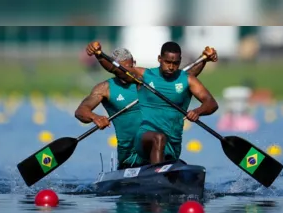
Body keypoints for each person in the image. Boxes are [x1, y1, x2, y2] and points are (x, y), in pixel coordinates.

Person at [76, 45, 218, 169]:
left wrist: (203, 58)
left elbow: (183, 79)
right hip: (131, 157)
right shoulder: (105, 88)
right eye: (119, 67)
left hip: (166, 150)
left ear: (134, 65)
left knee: (160, 140)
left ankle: (159, 174)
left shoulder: (146, 80)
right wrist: (95, 117)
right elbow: (81, 111)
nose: (124, 71)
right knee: (158, 138)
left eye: (128, 66)